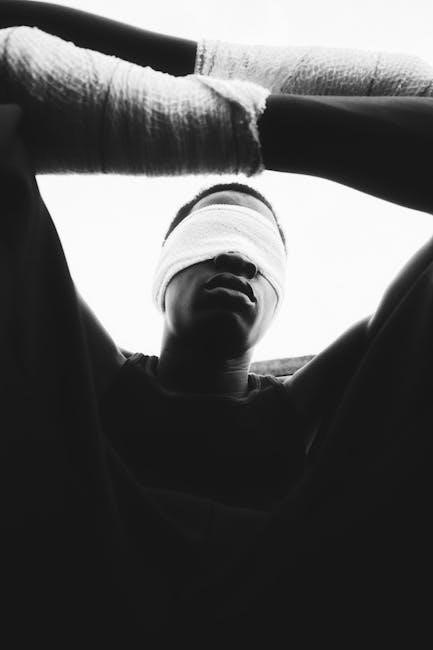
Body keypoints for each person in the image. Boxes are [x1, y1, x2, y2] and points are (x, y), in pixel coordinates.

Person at [1, 2, 432, 646]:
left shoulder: (324, 397)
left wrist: (199, 109)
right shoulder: (69, 359)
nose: (238, 259)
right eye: (214, 237)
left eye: (260, 254)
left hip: (303, 587)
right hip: (79, 556)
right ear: (163, 279)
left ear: (278, 301)